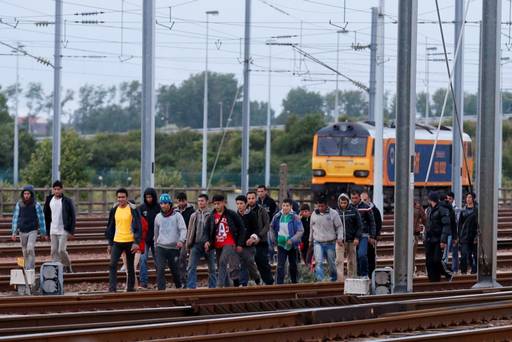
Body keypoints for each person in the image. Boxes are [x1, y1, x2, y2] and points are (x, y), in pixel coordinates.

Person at [203, 194, 246, 288]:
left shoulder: (231, 214)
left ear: (223, 203)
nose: (216, 206)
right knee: (220, 265)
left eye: (218, 203)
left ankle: (219, 286)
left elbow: (242, 228)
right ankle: (229, 286)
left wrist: (239, 244)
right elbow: (206, 230)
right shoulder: (212, 216)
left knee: (223, 261)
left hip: (229, 242)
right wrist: (206, 241)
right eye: (214, 204)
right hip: (217, 243)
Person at [105, 188, 141, 292]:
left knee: (130, 267)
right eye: (119, 197)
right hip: (117, 241)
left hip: (130, 241)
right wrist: (110, 243)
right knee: (112, 264)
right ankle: (112, 288)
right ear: (117, 198)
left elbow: (138, 226)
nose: (121, 199)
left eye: (123, 197)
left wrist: (136, 242)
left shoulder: (133, 209)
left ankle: (130, 288)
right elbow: (110, 227)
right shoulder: (114, 209)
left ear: (127, 198)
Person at [154, 193, 187, 290]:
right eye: (161, 203)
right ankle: (161, 290)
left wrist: (181, 240)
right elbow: (156, 232)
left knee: (175, 270)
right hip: (161, 247)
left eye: (165, 203)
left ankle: (179, 287)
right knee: (160, 270)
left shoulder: (177, 216)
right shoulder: (158, 217)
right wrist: (156, 243)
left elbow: (183, 229)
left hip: (174, 247)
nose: (163, 205)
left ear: (170, 204)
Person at [11, 185, 47, 270]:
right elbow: (15, 218)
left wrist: (43, 232)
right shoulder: (19, 204)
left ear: (31, 194)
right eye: (25, 194)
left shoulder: (36, 205)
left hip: (32, 230)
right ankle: (26, 268)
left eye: (28, 194)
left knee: (30, 248)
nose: (26, 195)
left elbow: (41, 219)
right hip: (22, 230)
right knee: (24, 250)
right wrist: (14, 232)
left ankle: (31, 268)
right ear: (22, 194)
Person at [308, 197, 343, 282]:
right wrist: (310, 240)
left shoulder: (333, 213)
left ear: (327, 205)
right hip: (317, 242)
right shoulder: (314, 214)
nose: (320, 208)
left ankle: (333, 279)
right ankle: (321, 280)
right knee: (318, 262)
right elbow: (311, 228)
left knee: (331, 263)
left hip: (330, 242)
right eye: (318, 206)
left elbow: (339, 226)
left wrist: (340, 238)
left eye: (322, 206)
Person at [43, 180, 76, 273]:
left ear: (62, 190)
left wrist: (71, 231)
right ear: (53, 190)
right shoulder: (49, 200)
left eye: (58, 189)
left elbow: (73, 216)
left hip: (63, 229)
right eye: (55, 189)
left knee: (61, 250)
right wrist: (46, 231)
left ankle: (67, 265)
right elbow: (46, 216)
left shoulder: (67, 201)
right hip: (53, 229)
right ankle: (56, 270)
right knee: (53, 251)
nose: (57, 191)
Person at [186, 193, 216, 289]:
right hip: (196, 244)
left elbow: (214, 231)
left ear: (207, 202)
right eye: (198, 201)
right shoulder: (193, 215)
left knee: (212, 268)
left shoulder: (212, 215)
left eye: (202, 201)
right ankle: (191, 287)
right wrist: (188, 245)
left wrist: (211, 243)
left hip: (209, 245)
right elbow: (190, 230)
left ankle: (212, 288)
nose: (200, 203)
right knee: (191, 266)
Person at [271, 198, 304, 284]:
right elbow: (271, 227)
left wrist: (292, 240)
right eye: (283, 205)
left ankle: (294, 283)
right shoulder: (277, 216)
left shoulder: (295, 217)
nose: (285, 207)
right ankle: (279, 284)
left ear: (291, 207)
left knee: (293, 265)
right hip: (281, 244)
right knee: (280, 266)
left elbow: (300, 231)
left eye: (287, 206)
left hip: (292, 245)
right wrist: (274, 240)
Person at [246, 191, 274, 285]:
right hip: (249, 241)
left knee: (262, 261)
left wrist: (259, 236)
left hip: (261, 241)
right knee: (248, 262)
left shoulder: (262, 210)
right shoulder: (245, 210)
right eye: (249, 198)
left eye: (252, 198)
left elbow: (267, 225)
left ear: (256, 198)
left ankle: (269, 282)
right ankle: (255, 281)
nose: (251, 200)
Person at [425, 191, 452, 282]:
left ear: (430, 199)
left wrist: (443, 241)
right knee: (429, 262)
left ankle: (447, 273)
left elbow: (446, 225)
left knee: (436, 260)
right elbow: (428, 224)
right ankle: (433, 281)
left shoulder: (442, 209)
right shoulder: (429, 210)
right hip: (429, 239)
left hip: (438, 239)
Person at [236, 195, 262, 286]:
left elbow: (256, 229)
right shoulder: (235, 215)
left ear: (245, 203)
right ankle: (244, 284)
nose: (239, 206)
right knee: (242, 264)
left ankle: (257, 278)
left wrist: (252, 238)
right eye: (238, 204)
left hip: (249, 245)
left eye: (241, 203)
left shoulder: (251, 214)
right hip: (239, 245)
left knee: (249, 262)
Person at [350, 189, 376, 277]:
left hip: (363, 235)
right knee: (354, 258)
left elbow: (372, 222)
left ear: (359, 198)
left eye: (356, 198)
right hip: (352, 236)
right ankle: (357, 274)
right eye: (352, 198)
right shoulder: (349, 207)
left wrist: (372, 236)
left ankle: (364, 274)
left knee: (362, 255)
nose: (354, 200)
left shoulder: (366, 207)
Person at [138, 187, 160, 288]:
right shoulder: (141, 208)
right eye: (147, 197)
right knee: (143, 260)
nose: (148, 199)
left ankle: (160, 281)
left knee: (158, 261)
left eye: (150, 197)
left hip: (157, 239)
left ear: (154, 197)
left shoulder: (159, 208)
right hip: (145, 239)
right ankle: (143, 282)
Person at [337, 193, 362, 278]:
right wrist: (336, 238)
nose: (343, 205)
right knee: (339, 261)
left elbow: (359, 225)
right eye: (341, 203)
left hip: (351, 240)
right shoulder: (336, 212)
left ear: (348, 202)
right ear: (339, 202)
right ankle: (339, 280)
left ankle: (352, 278)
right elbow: (333, 226)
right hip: (340, 241)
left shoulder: (354, 211)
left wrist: (357, 237)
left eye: (345, 203)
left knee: (352, 261)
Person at [176, 192, 195, 287]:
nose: (181, 203)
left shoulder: (191, 211)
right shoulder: (175, 211)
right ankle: (181, 280)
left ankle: (184, 281)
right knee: (178, 260)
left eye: (183, 201)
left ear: (186, 200)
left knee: (182, 259)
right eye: (179, 201)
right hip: (177, 239)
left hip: (187, 239)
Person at [361, 191, 382, 277]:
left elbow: (378, 223)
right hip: (362, 237)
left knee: (371, 256)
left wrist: (375, 236)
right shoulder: (360, 208)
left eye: (365, 199)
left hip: (371, 238)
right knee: (362, 256)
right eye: (362, 200)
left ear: (369, 199)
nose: (363, 201)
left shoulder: (375, 210)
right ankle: (363, 274)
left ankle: (371, 275)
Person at [458, 192, 478, 274]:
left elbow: (479, 225)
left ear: (473, 199)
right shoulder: (463, 211)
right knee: (464, 255)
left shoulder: (477, 210)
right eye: (467, 197)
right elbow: (460, 225)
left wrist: (477, 237)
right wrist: (459, 236)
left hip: (474, 237)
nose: (468, 199)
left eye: (470, 197)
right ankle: (463, 272)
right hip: (464, 237)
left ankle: (474, 271)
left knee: (473, 256)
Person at [442, 192, 460, 274]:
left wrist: (457, 236)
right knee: (446, 251)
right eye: (447, 198)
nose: (448, 200)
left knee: (454, 253)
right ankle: (445, 269)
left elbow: (458, 222)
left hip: (454, 233)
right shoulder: (445, 208)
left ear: (453, 199)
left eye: (450, 199)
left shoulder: (456, 209)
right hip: (447, 233)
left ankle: (455, 269)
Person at [413, 199, 427, 275]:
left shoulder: (417, 207)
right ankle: (411, 270)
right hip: (414, 232)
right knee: (412, 254)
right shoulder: (418, 207)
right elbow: (424, 219)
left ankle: (410, 270)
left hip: (412, 233)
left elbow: (424, 219)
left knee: (409, 253)